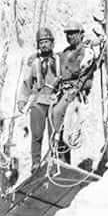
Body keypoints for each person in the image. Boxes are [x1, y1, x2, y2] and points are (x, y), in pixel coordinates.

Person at [16, 27, 70, 170]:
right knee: (37, 134)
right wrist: (22, 100)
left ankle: (56, 160)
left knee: (56, 134)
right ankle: (36, 163)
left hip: (55, 102)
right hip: (38, 102)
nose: (44, 45)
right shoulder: (34, 62)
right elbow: (26, 83)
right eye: (41, 42)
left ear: (52, 43)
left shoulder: (59, 60)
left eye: (46, 42)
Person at [49, 19, 96, 164]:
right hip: (63, 90)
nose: (70, 36)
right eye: (68, 34)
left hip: (75, 91)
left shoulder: (86, 51)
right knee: (52, 116)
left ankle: (60, 154)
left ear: (81, 34)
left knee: (57, 113)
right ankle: (60, 157)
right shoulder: (65, 52)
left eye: (73, 33)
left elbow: (80, 71)